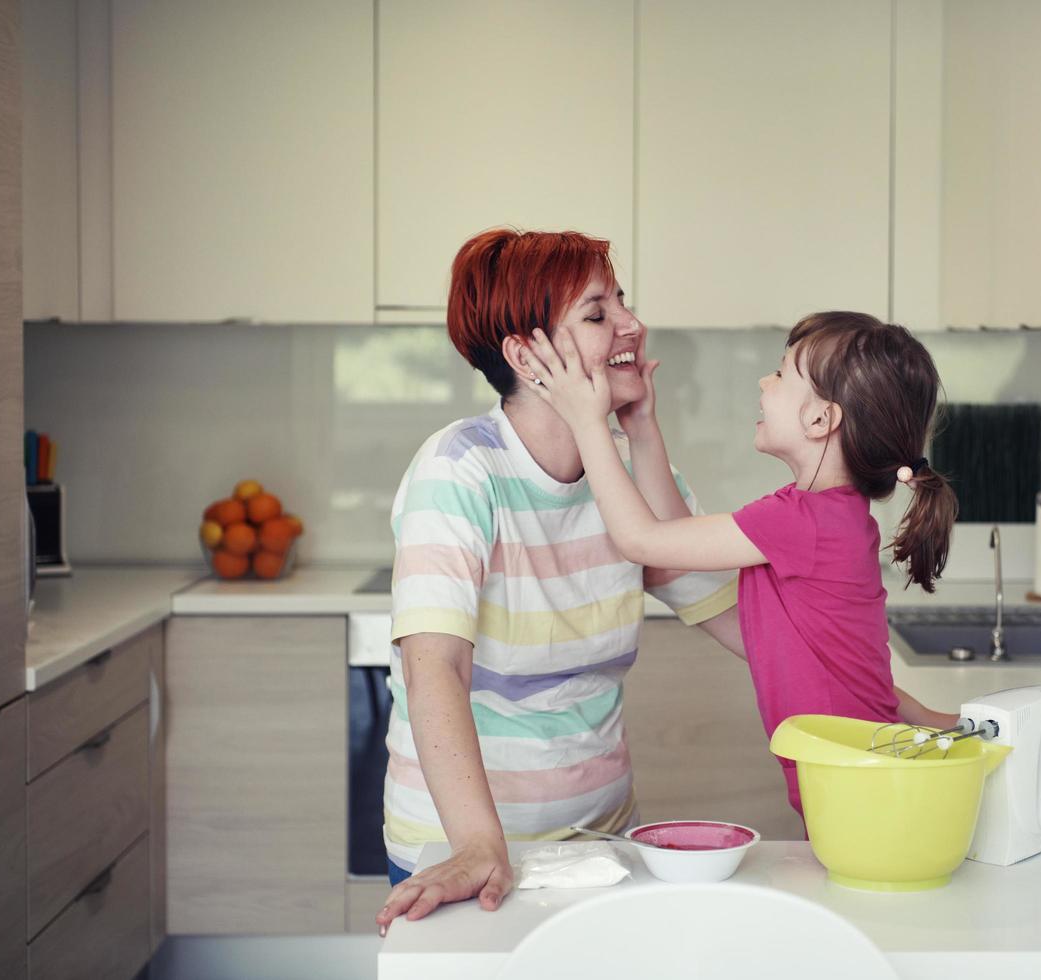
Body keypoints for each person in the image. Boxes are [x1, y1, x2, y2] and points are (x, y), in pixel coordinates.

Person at [374, 229, 744, 932]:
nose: (632, 325)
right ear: (526, 355)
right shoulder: (458, 469)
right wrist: (478, 846)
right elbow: (436, 670)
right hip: (465, 850)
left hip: (603, 841)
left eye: (623, 303)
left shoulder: (632, 482)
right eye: (598, 313)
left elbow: (749, 628)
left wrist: (901, 710)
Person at [521, 310, 962, 817]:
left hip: (855, 786)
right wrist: (641, 428)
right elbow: (674, 536)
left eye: (781, 372)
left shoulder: (802, 522)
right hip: (861, 775)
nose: (763, 381)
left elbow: (641, 540)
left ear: (820, 419)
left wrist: (585, 421)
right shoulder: (828, 517)